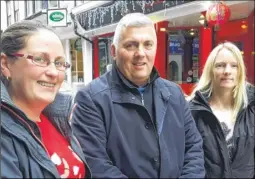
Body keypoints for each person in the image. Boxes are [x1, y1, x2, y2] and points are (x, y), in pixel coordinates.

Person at [71, 13, 205, 178]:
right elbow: (96, 166)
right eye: (131, 45)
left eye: (148, 44)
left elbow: (194, 149)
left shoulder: (174, 94)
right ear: (113, 51)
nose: (141, 53)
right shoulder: (91, 99)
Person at [1, 20, 91, 178]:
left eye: (59, 63)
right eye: (40, 59)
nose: (54, 72)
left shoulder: (58, 119)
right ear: (6, 64)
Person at [188, 42, 254, 178]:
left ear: (240, 71)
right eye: (220, 65)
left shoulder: (251, 109)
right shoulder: (193, 111)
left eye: (234, 66)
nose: (227, 71)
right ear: (210, 70)